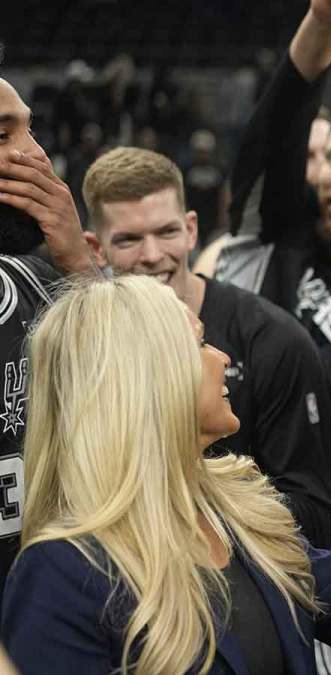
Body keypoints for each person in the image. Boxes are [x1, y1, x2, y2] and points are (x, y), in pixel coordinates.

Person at [0, 275, 331, 674]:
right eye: (199, 345)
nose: (223, 358)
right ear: (147, 380)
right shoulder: (61, 573)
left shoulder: (240, 507)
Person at [81, 146, 331, 554]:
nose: (152, 255)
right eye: (130, 240)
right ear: (96, 248)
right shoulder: (82, 345)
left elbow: (317, 517)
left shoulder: (273, 340)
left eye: (166, 232)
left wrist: (189, 515)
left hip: (252, 588)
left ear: (191, 229)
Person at [215, 0, 331, 572]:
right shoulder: (282, 236)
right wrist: (324, 22)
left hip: (323, 512)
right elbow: (278, 128)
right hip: (221, 478)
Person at [0, 76, 96, 597]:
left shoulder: (43, 287)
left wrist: (80, 262)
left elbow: (149, 405)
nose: (35, 155)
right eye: (1, 136)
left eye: (29, 131)